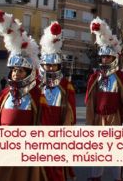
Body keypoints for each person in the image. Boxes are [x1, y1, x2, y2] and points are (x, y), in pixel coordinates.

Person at [0, 11, 46, 181]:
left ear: (29, 72)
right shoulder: (4, 94)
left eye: (20, 70)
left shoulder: (37, 97)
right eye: (14, 70)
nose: (15, 74)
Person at [86, 18, 123, 181]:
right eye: (103, 57)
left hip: (114, 118)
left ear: (114, 58)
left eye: (108, 57)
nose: (104, 60)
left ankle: (117, 178)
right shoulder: (95, 77)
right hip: (99, 119)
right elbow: (90, 101)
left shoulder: (121, 77)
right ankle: (95, 177)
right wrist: (90, 122)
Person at [39, 21, 77, 181]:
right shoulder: (35, 85)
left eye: (54, 66)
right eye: (47, 65)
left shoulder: (66, 87)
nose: (50, 69)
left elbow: (71, 114)